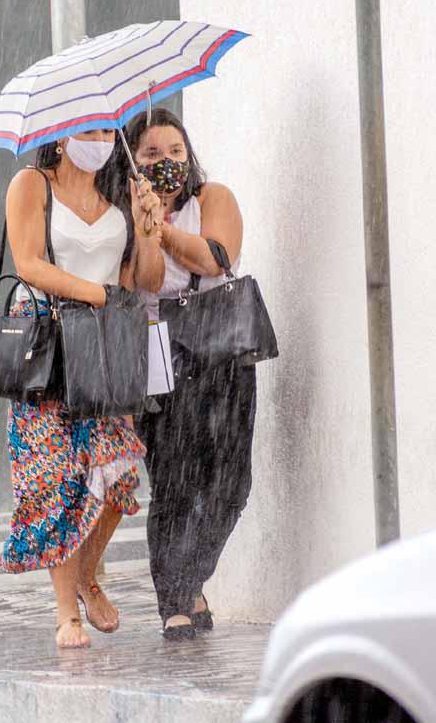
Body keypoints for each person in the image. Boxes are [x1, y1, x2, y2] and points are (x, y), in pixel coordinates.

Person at [0, 130, 164, 648]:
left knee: (118, 475)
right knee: (57, 480)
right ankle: (66, 612)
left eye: (103, 131)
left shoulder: (118, 200)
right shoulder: (31, 185)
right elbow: (28, 263)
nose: (96, 140)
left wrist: (149, 228)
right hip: (50, 345)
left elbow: (145, 281)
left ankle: (89, 573)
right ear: (60, 136)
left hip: (106, 346)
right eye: (84, 131)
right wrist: (98, 295)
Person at [124, 108, 258, 640]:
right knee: (175, 481)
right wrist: (146, 229)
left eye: (175, 152)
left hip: (223, 349)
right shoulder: (126, 211)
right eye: (152, 155)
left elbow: (218, 259)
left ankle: (191, 579)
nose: (166, 163)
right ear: (132, 162)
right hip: (163, 352)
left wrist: (169, 229)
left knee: (231, 483)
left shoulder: (213, 199)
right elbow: (148, 280)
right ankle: (174, 599)